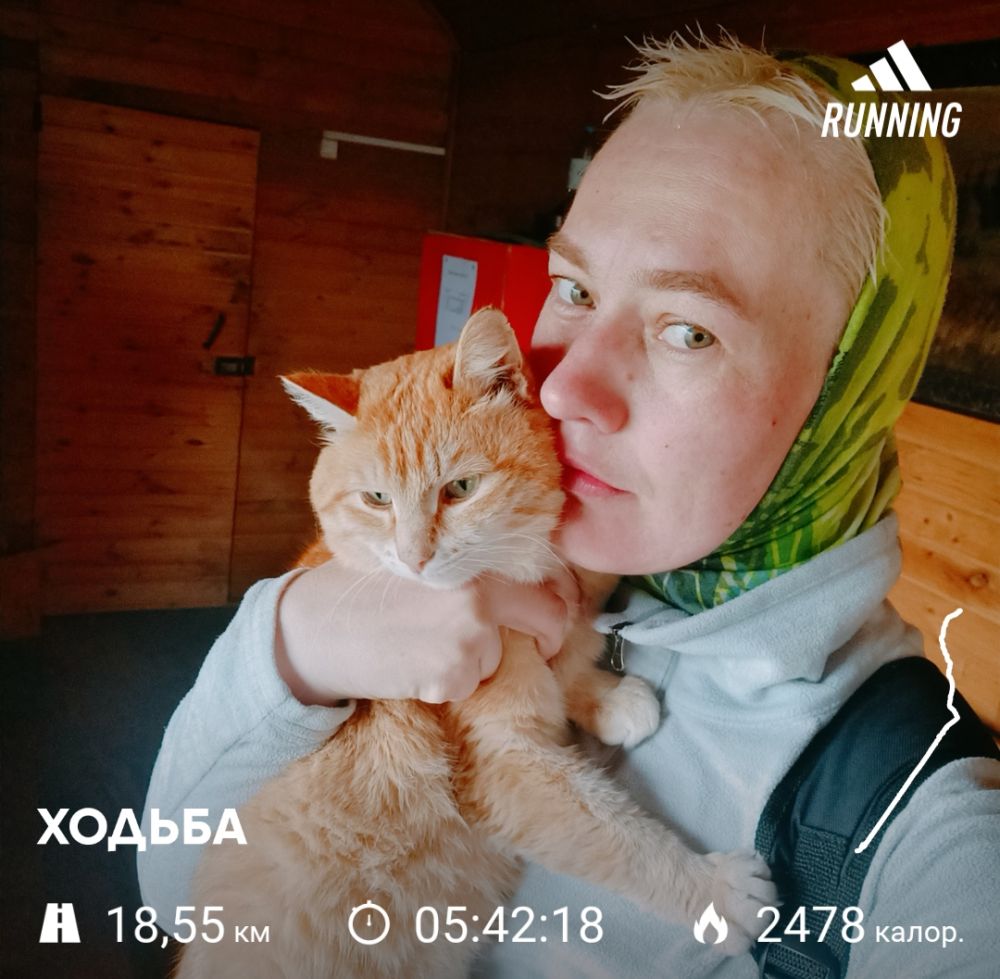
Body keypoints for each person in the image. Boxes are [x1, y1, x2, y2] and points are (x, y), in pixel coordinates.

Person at [139, 34, 1000, 978]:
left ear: (844, 396)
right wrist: (289, 647)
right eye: (574, 287)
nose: (559, 386)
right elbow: (176, 897)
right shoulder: (512, 550)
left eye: (689, 329)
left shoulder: (914, 806)